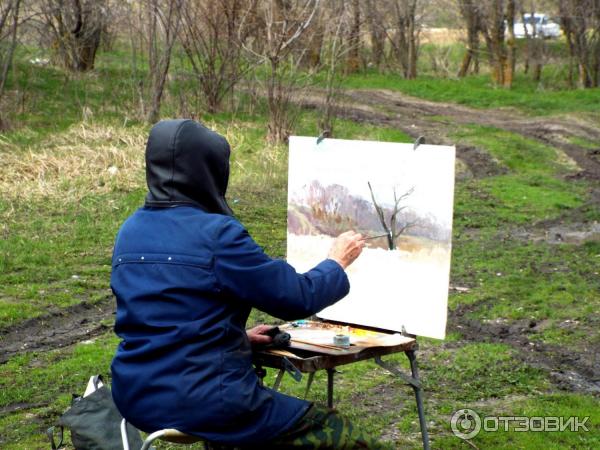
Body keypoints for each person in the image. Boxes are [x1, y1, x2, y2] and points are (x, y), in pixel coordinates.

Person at [110, 119, 385, 449]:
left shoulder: (131, 230)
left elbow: (163, 314)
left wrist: (235, 337)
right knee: (350, 438)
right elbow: (296, 298)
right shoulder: (218, 236)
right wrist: (336, 261)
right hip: (209, 402)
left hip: (135, 396)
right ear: (209, 172)